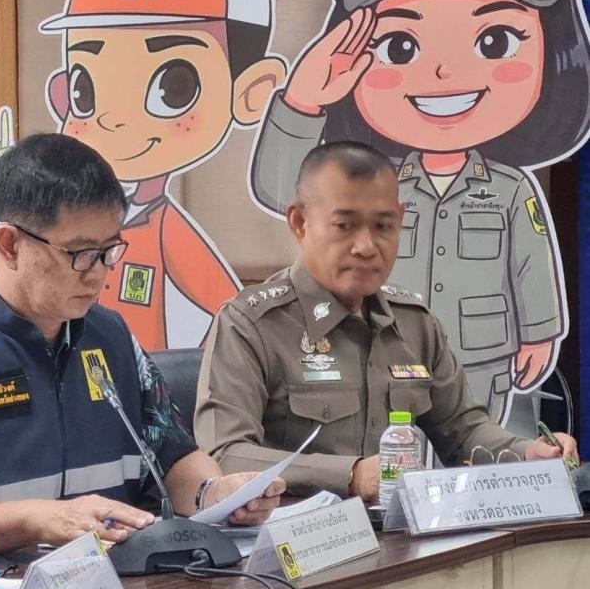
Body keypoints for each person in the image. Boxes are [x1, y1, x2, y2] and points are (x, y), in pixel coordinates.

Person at [0, 133, 284, 552]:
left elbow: (173, 457)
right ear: (10, 245)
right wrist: (39, 519)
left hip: (125, 578)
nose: (98, 272)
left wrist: (217, 494)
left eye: (109, 250)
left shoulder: (112, 338)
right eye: (79, 253)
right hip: (0, 586)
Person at [247, 0, 590, 423]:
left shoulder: (512, 190)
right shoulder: (369, 184)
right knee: (395, 456)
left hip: (481, 357)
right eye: (399, 47)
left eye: (494, 41)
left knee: (475, 451)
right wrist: (303, 103)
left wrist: (539, 333)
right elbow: (283, 193)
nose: (445, 74)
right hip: (386, 351)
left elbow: (530, 263)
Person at [197, 142, 578, 499]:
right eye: (344, 226)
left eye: (383, 226)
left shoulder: (414, 323)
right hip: (292, 537)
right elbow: (227, 455)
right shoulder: (251, 324)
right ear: (300, 223)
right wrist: (350, 475)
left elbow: (464, 432)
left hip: (403, 532)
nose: (366, 247)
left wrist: (526, 453)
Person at [0, 0, 287, 349]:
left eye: (172, 88)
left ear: (250, 91)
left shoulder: (126, 328)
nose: (114, 120)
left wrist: (220, 368)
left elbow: (231, 308)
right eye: (85, 90)